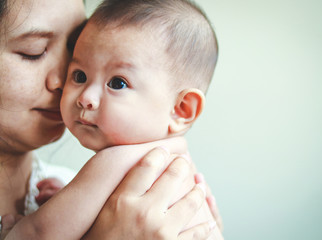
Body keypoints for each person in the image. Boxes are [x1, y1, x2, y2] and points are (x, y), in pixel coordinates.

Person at [0, 0, 221, 239]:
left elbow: (39, 232)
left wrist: (18, 231)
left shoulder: (114, 161)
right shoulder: (179, 165)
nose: (84, 97)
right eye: (80, 75)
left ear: (182, 109)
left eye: (117, 83)